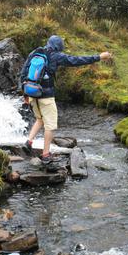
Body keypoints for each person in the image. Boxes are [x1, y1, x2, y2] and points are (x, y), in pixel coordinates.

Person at [20, 35, 111, 163]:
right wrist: (99, 57)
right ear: (58, 47)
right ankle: (46, 154)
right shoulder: (56, 56)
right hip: (46, 96)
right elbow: (77, 60)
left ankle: (29, 142)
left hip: (31, 93)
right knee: (50, 126)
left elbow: (23, 73)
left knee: (39, 119)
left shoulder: (35, 52)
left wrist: (25, 94)